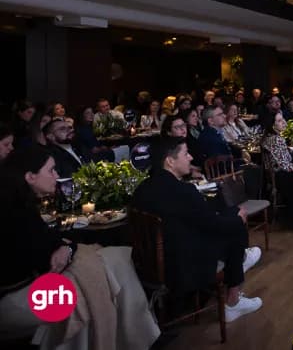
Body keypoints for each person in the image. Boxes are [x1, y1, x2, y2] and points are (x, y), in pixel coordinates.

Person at [0, 147, 161, 348]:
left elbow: (52, 244)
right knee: (98, 284)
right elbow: (48, 258)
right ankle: (140, 335)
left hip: (26, 290)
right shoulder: (14, 214)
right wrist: (67, 249)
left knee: (115, 261)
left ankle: (136, 335)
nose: (57, 176)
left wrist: (66, 248)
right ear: (30, 177)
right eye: (51, 171)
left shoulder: (19, 205)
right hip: (15, 303)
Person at [131, 137, 262, 322]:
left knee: (229, 216)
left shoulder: (142, 189)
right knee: (235, 228)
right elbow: (213, 225)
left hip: (150, 264)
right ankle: (233, 302)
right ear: (170, 161)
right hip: (182, 266)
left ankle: (241, 259)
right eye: (185, 154)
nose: (191, 157)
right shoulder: (183, 192)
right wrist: (238, 218)